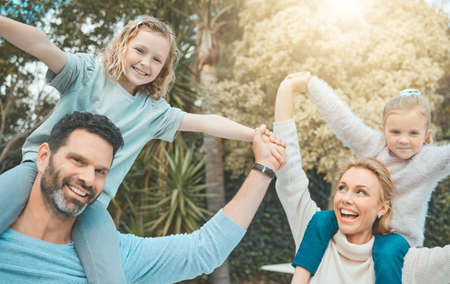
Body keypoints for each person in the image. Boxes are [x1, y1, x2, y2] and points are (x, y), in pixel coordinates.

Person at [0, 15, 283, 283]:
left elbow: (208, 123)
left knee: (108, 273)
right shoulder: (86, 74)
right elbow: (41, 44)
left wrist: (255, 134)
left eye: (157, 59)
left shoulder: (153, 113)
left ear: (164, 69)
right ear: (123, 45)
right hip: (32, 173)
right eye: (140, 51)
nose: (145, 63)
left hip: (93, 203)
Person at [0, 111, 286, 283]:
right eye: (77, 160)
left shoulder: (110, 256)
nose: (88, 179)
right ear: (43, 157)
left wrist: (264, 168)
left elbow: (203, 250)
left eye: (100, 170)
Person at [272, 73, 449, 284]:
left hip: (399, 240)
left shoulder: (411, 264)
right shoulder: (373, 146)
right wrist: (307, 85)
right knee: (319, 220)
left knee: (386, 254)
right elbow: (342, 121)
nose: (403, 140)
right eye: (342, 188)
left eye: (361, 191)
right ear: (384, 131)